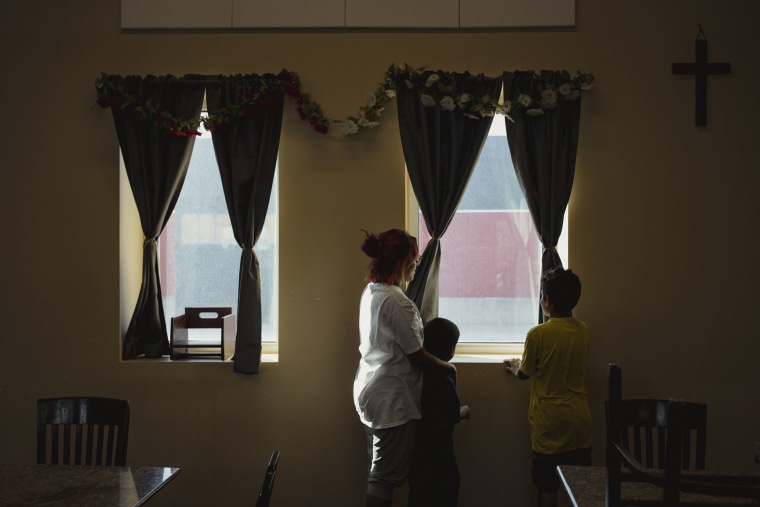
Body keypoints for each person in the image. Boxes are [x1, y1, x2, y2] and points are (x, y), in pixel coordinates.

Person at [353, 229, 457, 507]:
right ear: (403, 262)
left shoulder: (372, 291)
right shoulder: (398, 303)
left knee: (379, 473)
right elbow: (417, 355)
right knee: (382, 479)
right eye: (415, 258)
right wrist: (449, 368)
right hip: (390, 401)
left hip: (370, 392)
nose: (417, 263)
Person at [504, 267, 592, 507]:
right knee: (581, 488)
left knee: (547, 487)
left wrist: (514, 366)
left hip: (548, 425)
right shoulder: (582, 330)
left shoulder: (538, 334)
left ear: (547, 301)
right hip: (578, 422)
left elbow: (525, 373)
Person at [408, 317, 470, 507]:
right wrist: (464, 411)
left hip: (417, 457)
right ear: (451, 351)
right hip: (441, 459)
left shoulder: (416, 374)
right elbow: (450, 415)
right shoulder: (444, 378)